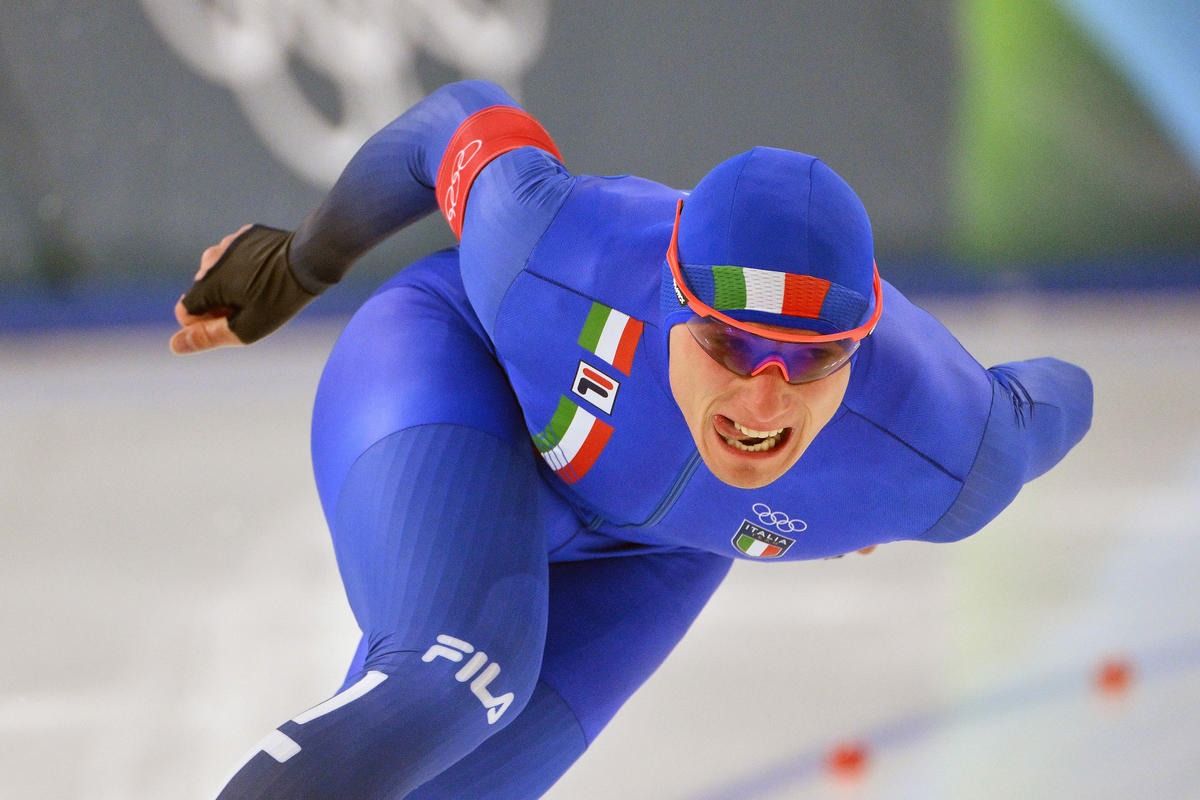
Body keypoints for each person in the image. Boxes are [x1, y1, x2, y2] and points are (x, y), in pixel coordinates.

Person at [172, 80, 1093, 799]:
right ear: (668, 301)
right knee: (456, 674)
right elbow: (455, 121)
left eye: (812, 360)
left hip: (659, 551)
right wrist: (300, 264)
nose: (764, 400)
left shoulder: (943, 450)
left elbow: (1059, 398)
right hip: (454, 369)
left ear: (860, 346)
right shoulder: (554, 247)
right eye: (729, 343)